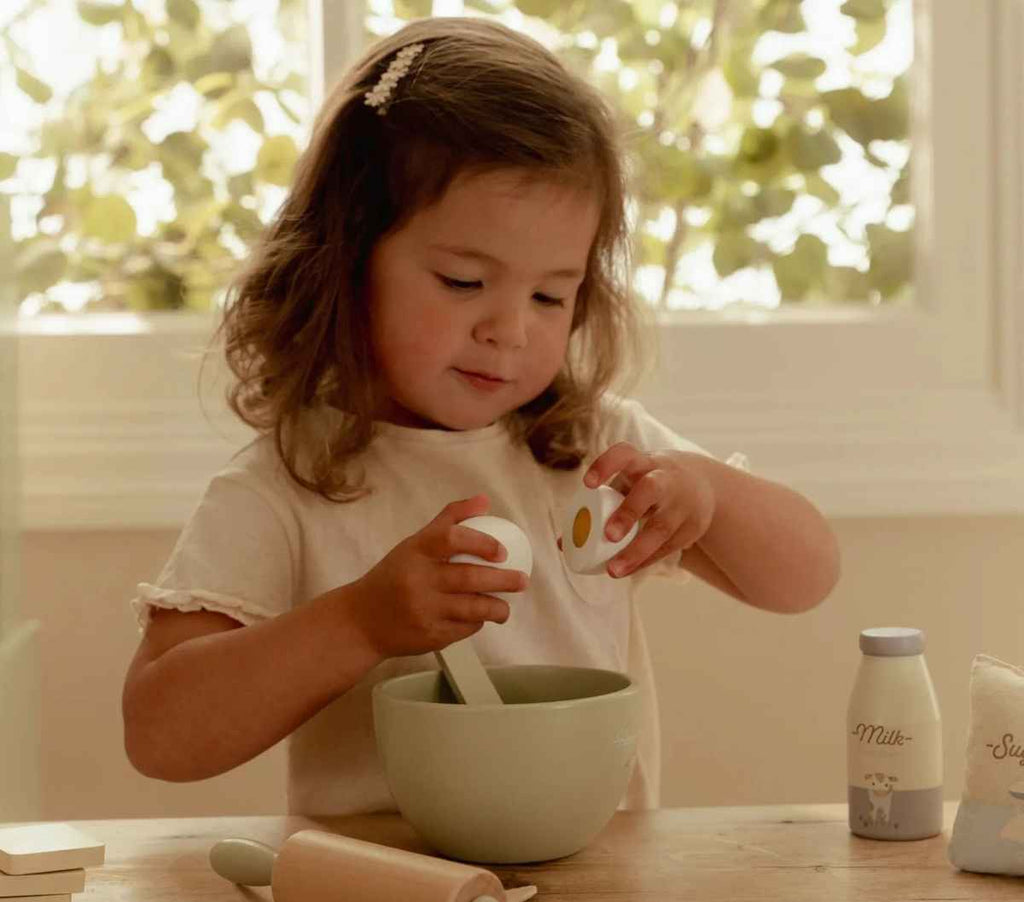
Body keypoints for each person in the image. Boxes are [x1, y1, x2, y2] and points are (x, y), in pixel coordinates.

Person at [122, 17, 840, 815]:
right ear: (346, 261)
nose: (511, 329)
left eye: (549, 294)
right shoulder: (288, 482)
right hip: (377, 901)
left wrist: (708, 495)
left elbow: (806, 578)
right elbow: (161, 734)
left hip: (597, 899)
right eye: (464, 281)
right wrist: (358, 622)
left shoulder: (587, 447)